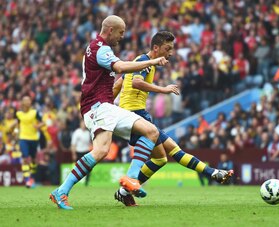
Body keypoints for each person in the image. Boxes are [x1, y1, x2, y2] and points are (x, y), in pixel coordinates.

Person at [49, 15, 169, 210]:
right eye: (121, 32)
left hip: (100, 106)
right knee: (148, 133)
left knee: (106, 148)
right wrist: (152, 63)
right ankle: (130, 178)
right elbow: (121, 67)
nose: (122, 36)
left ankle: (62, 191)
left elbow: (110, 77)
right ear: (110, 30)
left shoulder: (94, 47)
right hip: (99, 107)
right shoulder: (101, 48)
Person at [112, 31, 234, 206]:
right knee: (171, 153)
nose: (170, 53)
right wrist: (164, 89)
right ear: (156, 48)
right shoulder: (143, 63)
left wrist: (107, 106)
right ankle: (212, 173)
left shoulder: (139, 61)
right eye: (167, 48)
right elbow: (136, 83)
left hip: (136, 115)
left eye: (172, 49)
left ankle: (125, 191)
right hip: (134, 116)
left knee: (163, 157)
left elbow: (119, 84)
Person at [14, 96, 44, 188]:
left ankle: (32, 178)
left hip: (34, 139)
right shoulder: (18, 113)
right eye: (25, 100)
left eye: (29, 100)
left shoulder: (35, 112)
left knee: (34, 160)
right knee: (25, 159)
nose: (27, 102)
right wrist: (15, 132)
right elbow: (18, 124)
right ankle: (28, 180)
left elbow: (42, 122)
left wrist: (38, 126)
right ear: (22, 103)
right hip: (23, 138)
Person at [70, 120, 92, 186]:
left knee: (88, 167)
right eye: (82, 124)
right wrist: (73, 154)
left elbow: (90, 143)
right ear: (80, 124)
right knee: (77, 168)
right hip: (78, 152)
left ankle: (86, 182)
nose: (83, 125)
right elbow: (73, 144)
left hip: (86, 152)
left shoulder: (88, 133)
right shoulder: (77, 132)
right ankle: (74, 181)